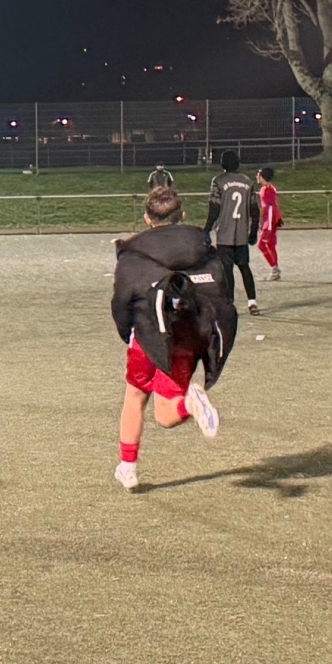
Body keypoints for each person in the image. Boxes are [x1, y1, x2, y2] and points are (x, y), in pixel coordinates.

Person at [109, 185, 233, 491]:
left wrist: (127, 332)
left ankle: (128, 468)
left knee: (135, 396)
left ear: (147, 219)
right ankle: (189, 403)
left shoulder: (134, 253)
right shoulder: (202, 247)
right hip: (186, 334)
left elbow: (121, 301)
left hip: (148, 331)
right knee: (166, 414)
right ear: (182, 215)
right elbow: (220, 290)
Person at [203, 150, 259, 315]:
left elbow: (214, 207)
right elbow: (255, 209)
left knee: (227, 270)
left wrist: (207, 229)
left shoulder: (218, 181)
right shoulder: (247, 182)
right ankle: (252, 302)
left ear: (223, 163)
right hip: (241, 232)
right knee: (244, 267)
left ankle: (230, 303)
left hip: (225, 233)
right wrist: (253, 231)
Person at [255, 167, 282, 281]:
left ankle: (275, 269)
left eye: (258, 174)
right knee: (271, 245)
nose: (257, 176)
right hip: (272, 219)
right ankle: (275, 269)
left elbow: (266, 207)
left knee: (262, 245)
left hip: (269, 220)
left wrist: (261, 220)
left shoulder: (266, 190)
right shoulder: (269, 188)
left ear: (262, 176)